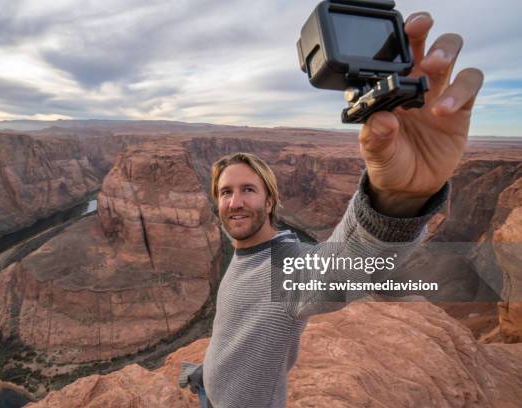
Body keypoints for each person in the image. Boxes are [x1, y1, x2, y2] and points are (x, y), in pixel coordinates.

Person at [179, 11, 483, 408]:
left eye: (248, 190)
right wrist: (205, 376)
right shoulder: (245, 259)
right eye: (225, 192)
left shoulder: (283, 270)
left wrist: (400, 199)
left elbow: (347, 265)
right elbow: (231, 335)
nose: (234, 202)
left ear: (270, 201)